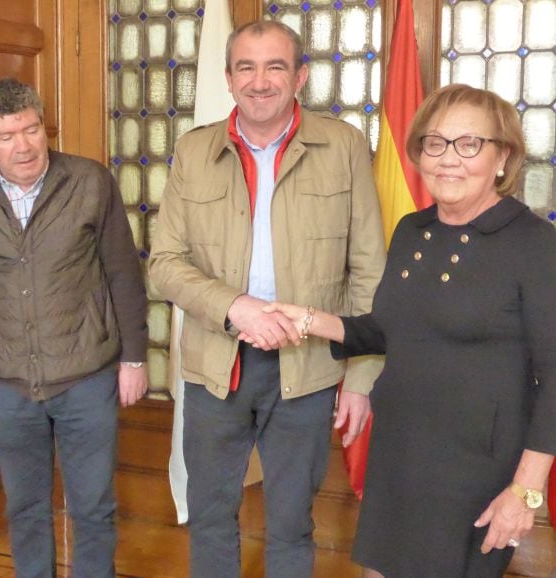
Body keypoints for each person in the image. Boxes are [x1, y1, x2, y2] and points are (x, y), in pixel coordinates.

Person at [266, 84, 556, 578]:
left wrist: (525, 491)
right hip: (399, 452)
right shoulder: (411, 231)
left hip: (475, 468)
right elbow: (389, 330)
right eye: (434, 143)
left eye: (469, 144)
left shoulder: (534, 243)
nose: (448, 158)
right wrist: (310, 320)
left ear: (503, 157)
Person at [148, 20, 386, 578]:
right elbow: (164, 265)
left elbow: (369, 271)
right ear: (229, 78)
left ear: (300, 76)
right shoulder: (192, 149)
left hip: (308, 367)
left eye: (275, 66)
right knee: (209, 518)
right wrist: (237, 308)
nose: (260, 81)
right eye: (246, 67)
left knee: (292, 524)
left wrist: (360, 378)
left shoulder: (344, 146)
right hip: (215, 364)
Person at [0, 78, 148, 578]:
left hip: (86, 377)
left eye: (32, 129)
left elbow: (124, 274)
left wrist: (134, 358)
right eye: (8, 135)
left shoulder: (89, 182)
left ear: (43, 124)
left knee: (93, 506)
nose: (24, 145)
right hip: (6, 385)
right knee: (25, 509)